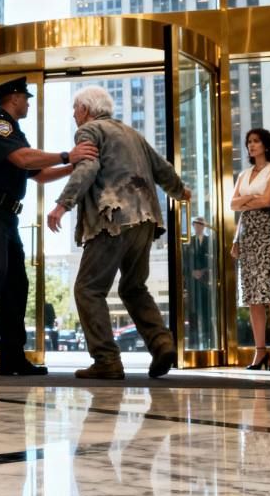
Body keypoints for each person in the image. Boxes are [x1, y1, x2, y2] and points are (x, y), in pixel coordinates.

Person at [0, 76, 98, 379]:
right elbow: (23, 159)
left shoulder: (14, 132)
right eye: (26, 98)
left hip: (5, 216)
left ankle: (11, 358)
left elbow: (39, 174)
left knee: (16, 284)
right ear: (14, 98)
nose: (28, 104)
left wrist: (72, 166)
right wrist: (68, 154)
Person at [46, 85, 191, 380]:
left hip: (111, 218)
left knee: (88, 289)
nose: (73, 115)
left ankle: (107, 360)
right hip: (145, 219)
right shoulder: (132, 133)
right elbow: (162, 168)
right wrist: (180, 191)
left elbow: (87, 168)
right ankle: (161, 343)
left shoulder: (89, 131)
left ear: (85, 109)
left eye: (75, 109)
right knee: (133, 287)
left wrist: (62, 205)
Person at [230, 129, 270, 370]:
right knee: (252, 294)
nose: (251, 145)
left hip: (268, 231)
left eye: (256, 141)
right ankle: (260, 350)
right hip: (247, 234)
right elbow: (232, 204)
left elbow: (268, 201)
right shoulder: (243, 174)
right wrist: (252, 199)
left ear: (266, 145)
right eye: (249, 142)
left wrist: (246, 201)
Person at [184, 216, 214, 349]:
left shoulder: (210, 241)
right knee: (193, 312)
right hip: (193, 283)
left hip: (206, 281)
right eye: (196, 225)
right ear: (193, 226)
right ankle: (193, 342)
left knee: (207, 311)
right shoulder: (188, 242)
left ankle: (208, 340)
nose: (198, 227)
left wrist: (203, 271)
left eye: (200, 224)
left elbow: (213, 260)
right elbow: (184, 260)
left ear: (204, 226)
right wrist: (191, 272)